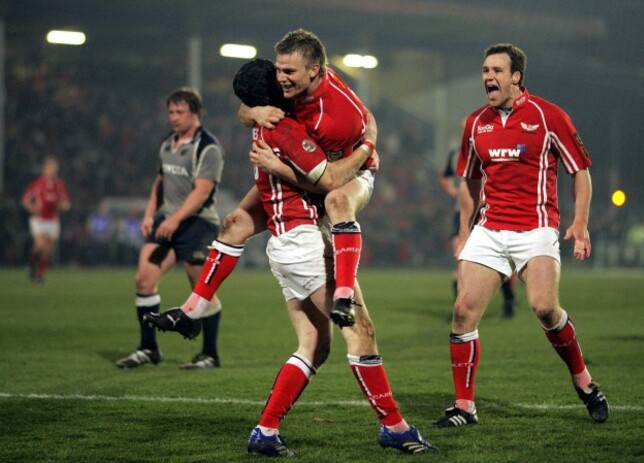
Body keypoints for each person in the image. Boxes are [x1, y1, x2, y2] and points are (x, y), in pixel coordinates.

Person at [149, 58, 436, 456]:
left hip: (283, 247)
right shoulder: (284, 128)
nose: (285, 82)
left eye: (290, 75)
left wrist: (252, 116)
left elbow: (248, 120)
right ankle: (395, 427)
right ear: (273, 92)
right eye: (279, 78)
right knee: (361, 332)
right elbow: (330, 180)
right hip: (303, 246)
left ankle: (265, 432)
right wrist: (368, 145)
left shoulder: (263, 121)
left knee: (314, 345)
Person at [148, 29, 375, 332]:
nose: (281, 78)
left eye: (288, 71)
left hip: (354, 167)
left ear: (314, 71)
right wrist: (256, 110)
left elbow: (330, 180)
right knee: (235, 223)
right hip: (316, 168)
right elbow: (245, 110)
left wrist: (369, 144)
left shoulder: (331, 119)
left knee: (338, 201)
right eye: (279, 70)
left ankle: (343, 294)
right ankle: (193, 311)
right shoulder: (294, 87)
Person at [432, 43, 608, 428]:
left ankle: (584, 382)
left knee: (545, 307)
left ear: (516, 77)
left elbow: (580, 170)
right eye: (484, 70)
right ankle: (464, 407)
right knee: (462, 312)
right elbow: (470, 178)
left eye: (496, 70)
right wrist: (464, 229)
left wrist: (579, 223)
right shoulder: (475, 122)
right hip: (490, 229)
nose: (487, 77)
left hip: (536, 227)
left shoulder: (549, 116)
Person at [115, 88, 224, 370]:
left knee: (201, 290)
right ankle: (148, 348)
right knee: (144, 279)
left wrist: (175, 220)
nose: (173, 118)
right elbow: (159, 183)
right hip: (167, 222)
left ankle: (209, 354)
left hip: (198, 224)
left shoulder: (207, 147)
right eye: (171, 112)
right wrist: (150, 214)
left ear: (195, 114)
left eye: (180, 112)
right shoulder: (168, 144)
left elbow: (202, 192)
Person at [439, 135, 516, 318]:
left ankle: (508, 300)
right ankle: (461, 308)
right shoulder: (457, 152)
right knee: (461, 259)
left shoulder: (495, 149)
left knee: (498, 261)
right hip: (463, 212)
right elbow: (446, 176)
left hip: (488, 212)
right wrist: (452, 190)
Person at [21, 156, 71, 283]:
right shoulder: (38, 183)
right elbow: (25, 200)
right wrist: (33, 208)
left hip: (52, 219)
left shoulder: (59, 185)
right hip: (39, 219)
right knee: (40, 244)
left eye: (55, 168)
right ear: (45, 169)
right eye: (51, 167)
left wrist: (64, 206)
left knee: (49, 249)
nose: (53, 170)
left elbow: (65, 202)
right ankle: (33, 266)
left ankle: (39, 273)